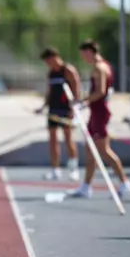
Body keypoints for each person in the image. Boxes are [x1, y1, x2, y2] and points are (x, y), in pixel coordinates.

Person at [67, 39, 130, 198]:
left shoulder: (99, 67)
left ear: (90, 51)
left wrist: (83, 103)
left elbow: (101, 91)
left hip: (100, 113)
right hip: (96, 112)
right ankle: (86, 186)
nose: (84, 59)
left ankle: (125, 183)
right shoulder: (103, 65)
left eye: (84, 55)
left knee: (104, 150)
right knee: (90, 150)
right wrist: (83, 102)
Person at [35, 47, 80, 181]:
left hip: (66, 109)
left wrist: (74, 109)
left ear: (54, 57)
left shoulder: (68, 70)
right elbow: (49, 92)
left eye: (48, 61)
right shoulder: (51, 73)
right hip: (53, 109)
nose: (48, 64)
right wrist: (43, 107)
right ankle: (55, 169)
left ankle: (74, 169)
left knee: (68, 138)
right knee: (53, 140)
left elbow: (76, 89)